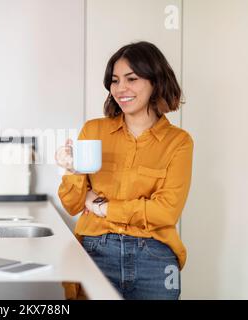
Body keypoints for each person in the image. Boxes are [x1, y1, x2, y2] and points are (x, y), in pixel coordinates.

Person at [56, 41, 193, 300]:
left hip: (155, 258)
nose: (121, 89)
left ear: (156, 81)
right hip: (96, 251)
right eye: (115, 81)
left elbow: (165, 211)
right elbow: (73, 205)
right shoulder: (94, 130)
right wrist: (71, 170)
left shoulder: (179, 142)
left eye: (131, 79)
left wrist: (101, 206)